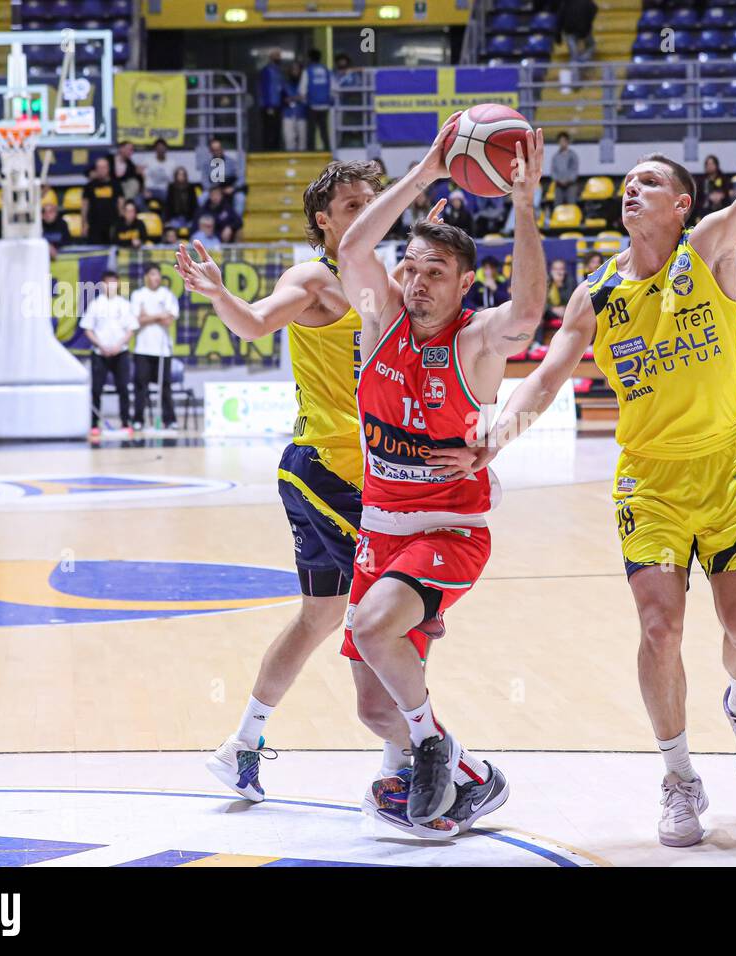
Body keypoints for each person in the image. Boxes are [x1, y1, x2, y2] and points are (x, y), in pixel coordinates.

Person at [430, 23, 736, 848]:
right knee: (659, 627)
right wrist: (496, 433)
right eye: (626, 183)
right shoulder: (596, 292)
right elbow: (551, 374)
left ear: (681, 204)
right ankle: (678, 777)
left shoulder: (709, 251)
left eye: (648, 182)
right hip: (649, 484)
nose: (631, 190)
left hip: (727, 474)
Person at [181, 162, 490, 836]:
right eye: (352, 203)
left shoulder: (394, 285)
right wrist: (218, 295)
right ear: (324, 220)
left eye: (372, 200)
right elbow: (258, 323)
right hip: (333, 473)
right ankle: (412, 769)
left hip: (363, 476)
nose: (365, 210)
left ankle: (242, 747)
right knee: (397, 618)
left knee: (321, 617)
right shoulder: (317, 280)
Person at [334, 124, 547, 830]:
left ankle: (432, 744)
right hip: (379, 532)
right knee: (371, 707)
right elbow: (353, 247)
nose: (419, 283)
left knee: (370, 627)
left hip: (448, 529)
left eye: (436, 274)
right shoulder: (380, 319)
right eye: (412, 269)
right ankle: (471, 775)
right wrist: (428, 167)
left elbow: (527, 313)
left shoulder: (475, 343)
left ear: (463, 284)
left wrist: (523, 207)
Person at [80, 270, 139, 436]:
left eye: (113, 282)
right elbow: (88, 329)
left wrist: (118, 345)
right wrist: (101, 345)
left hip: (120, 353)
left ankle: (126, 421)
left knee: (123, 388)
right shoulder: (95, 304)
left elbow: (130, 329)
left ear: (118, 284)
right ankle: (94, 424)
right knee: (97, 390)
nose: (110, 286)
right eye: (106, 282)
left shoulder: (124, 304)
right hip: (100, 353)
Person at [130, 264, 180, 431]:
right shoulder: (138, 295)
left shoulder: (167, 295)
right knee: (140, 386)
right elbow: (137, 321)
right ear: (146, 276)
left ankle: (170, 420)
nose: (156, 278)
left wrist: (148, 316)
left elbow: (168, 320)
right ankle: (138, 420)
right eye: (152, 274)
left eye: (158, 275)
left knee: (165, 386)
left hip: (163, 348)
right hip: (143, 348)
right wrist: (159, 314)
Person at [82, 156, 121, 245]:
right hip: (94, 226)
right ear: (96, 169)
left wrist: (121, 225)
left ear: (108, 169)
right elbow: (85, 205)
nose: (101, 170)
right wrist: (84, 224)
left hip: (112, 225)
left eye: (104, 167)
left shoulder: (115, 185)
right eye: (99, 167)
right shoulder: (89, 186)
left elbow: (120, 204)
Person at [303, 49, 334, 152]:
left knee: (311, 130)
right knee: (324, 129)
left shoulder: (308, 71)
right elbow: (333, 88)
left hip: (312, 105)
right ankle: (327, 149)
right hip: (325, 105)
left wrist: (304, 100)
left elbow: (302, 90)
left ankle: (310, 151)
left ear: (310, 58)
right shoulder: (327, 70)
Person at [259, 48, 287, 151]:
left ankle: (275, 149)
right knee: (269, 129)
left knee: (276, 129)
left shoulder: (278, 70)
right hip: (269, 105)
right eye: (277, 55)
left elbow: (281, 87)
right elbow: (265, 88)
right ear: (271, 57)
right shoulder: (267, 70)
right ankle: (267, 150)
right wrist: (268, 105)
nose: (279, 58)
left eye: (279, 55)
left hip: (278, 105)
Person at [558, 0, 598, 69]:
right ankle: (583, 60)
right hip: (583, 29)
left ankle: (577, 65)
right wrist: (588, 23)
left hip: (570, 31)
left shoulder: (565, 2)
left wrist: (558, 34)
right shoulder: (587, 2)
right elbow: (594, 8)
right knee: (591, 46)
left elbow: (560, 16)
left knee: (574, 55)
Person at [163, 166, 200, 231]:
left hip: (188, 218)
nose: (181, 176)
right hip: (175, 217)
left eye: (183, 174)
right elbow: (168, 205)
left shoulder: (190, 187)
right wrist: (167, 220)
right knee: (170, 228)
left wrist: (194, 219)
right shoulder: (171, 187)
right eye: (179, 174)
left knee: (194, 226)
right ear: (176, 176)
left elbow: (194, 204)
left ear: (185, 176)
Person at [142, 139, 177, 204]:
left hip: (164, 190)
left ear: (166, 149)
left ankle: (165, 214)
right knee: (138, 200)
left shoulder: (172, 163)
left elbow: (174, 180)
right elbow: (142, 177)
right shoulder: (148, 161)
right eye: (158, 148)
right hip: (150, 189)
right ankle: (148, 213)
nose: (160, 150)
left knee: (170, 199)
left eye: (162, 148)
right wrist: (144, 190)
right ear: (155, 149)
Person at [551, 132, 581, 206]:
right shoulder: (555, 157)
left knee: (571, 205)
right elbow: (553, 172)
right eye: (560, 141)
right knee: (557, 206)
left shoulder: (573, 156)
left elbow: (575, 170)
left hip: (571, 185)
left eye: (564, 141)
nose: (562, 143)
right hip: (559, 185)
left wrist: (568, 180)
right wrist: (559, 180)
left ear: (567, 142)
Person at [282, 62, 306, 152]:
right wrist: (295, 98)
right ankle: (290, 161)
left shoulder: (304, 83)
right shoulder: (285, 83)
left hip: (302, 114)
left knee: (302, 141)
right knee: (289, 140)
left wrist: (293, 98)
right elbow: (282, 99)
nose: (295, 71)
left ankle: (303, 164)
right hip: (288, 114)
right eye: (293, 69)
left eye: (297, 69)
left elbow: (306, 97)